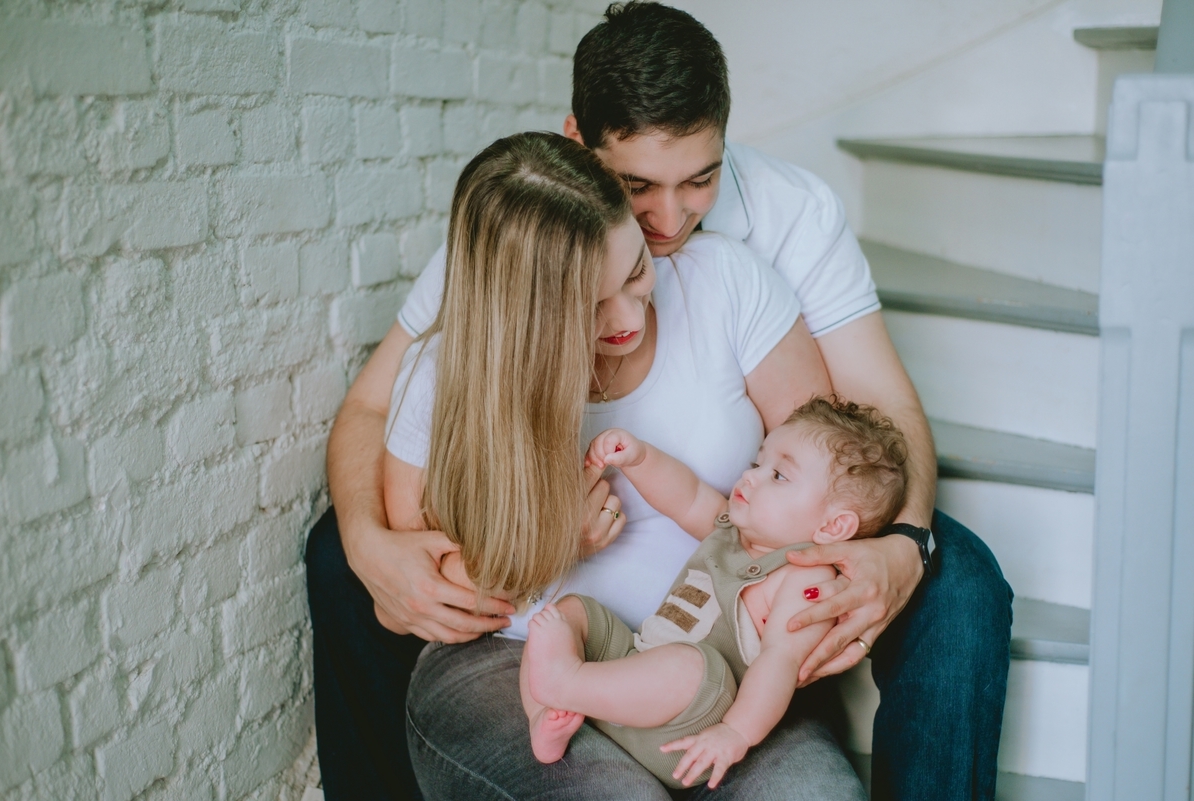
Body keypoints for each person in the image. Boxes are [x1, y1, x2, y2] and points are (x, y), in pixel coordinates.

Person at [305, 3, 1012, 799]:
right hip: (550, 628)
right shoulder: (515, 243)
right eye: (637, 187)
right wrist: (371, 543)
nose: (670, 221)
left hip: (729, 600)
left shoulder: (770, 235)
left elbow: (870, 413)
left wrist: (900, 546)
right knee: (336, 550)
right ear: (578, 146)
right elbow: (378, 411)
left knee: (961, 580)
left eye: (699, 180)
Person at [382, 129, 863, 800]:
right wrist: (550, 538)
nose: (630, 314)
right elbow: (414, 586)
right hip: (510, 658)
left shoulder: (720, 281)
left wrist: (808, 607)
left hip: (719, 657)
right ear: (526, 318)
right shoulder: (441, 380)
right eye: (591, 305)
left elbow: (831, 468)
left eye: (636, 271)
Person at [521, 397, 909, 791]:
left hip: (685, 724)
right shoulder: (730, 529)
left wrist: (736, 734)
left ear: (833, 526)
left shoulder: (802, 581)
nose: (750, 476)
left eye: (779, 476)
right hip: (629, 670)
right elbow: (685, 495)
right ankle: (544, 719)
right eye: (759, 464)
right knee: (572, 613)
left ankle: (564, 683)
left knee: (693, 666)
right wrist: (638, 458)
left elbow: (780, 663)